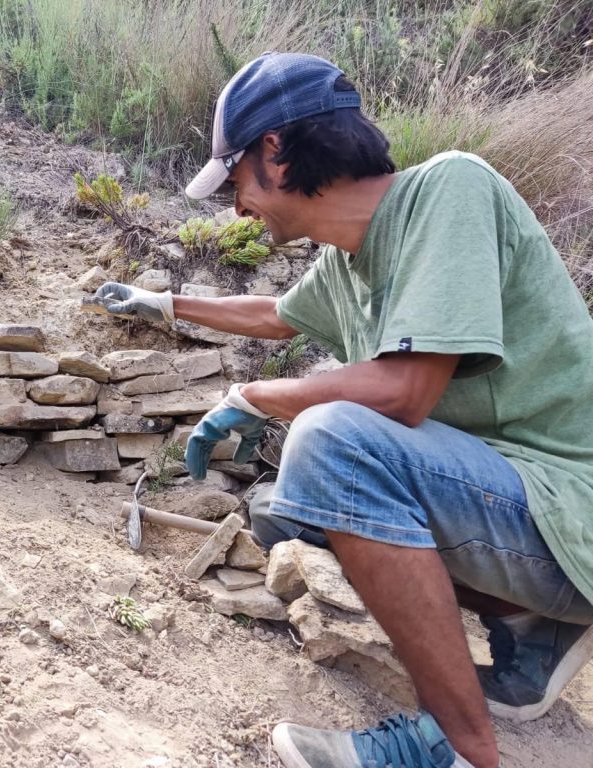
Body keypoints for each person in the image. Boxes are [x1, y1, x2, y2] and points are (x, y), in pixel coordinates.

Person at [95, 52, 593, 768]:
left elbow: (405, 390)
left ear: (274, 149)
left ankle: (456, 750)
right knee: (287, 507)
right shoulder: (346, 262)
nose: (236, 206)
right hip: (524, 514)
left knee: (334, 446)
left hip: (571, 509)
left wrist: (256, 396)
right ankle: (534, 628)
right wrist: (163, 301)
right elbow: (272, 314)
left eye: (235, 180)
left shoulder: (450, 189)